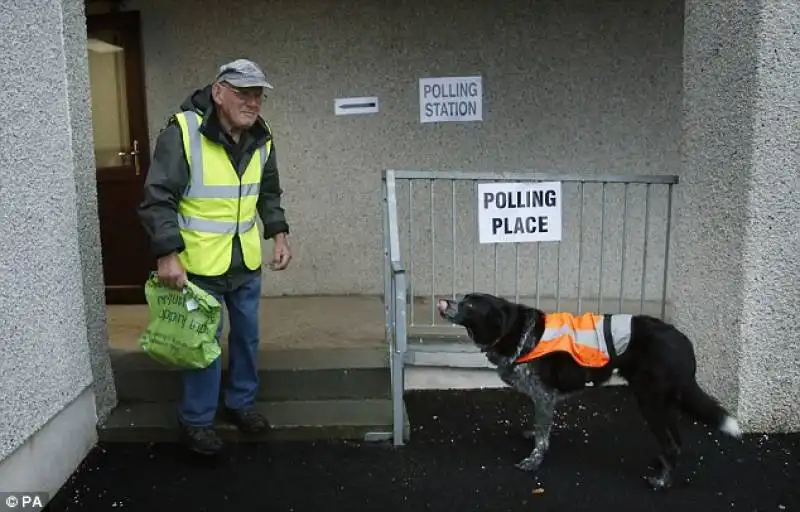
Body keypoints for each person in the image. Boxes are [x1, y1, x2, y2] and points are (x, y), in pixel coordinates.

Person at [137, 58, 291, 455]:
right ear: (219, 92)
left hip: (244, 261)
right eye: (243, 93)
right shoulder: (183, 131)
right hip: (197, 264)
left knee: (246, 337)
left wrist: (278, 232)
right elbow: (158, 199)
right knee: (201, 342)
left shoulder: (262, 135)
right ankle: (196, 421)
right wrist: (167, 253)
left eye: (258, 94)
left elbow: (268, 190)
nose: (253, 102)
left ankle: (240, 403)